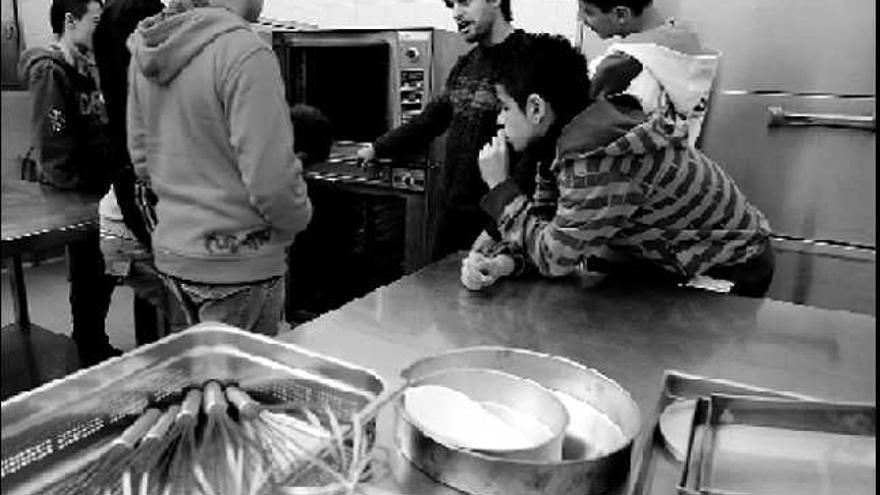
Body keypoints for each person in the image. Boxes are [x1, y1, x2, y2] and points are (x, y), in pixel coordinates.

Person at [464, 34, 775, 298]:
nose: (500, 119)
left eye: (504, 107)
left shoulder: (596, 160)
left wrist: (501, 190)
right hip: (667, 258)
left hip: (729, 265)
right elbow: (545, 226)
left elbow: (554, 258)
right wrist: (504, 262)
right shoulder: (564, 143)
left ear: (535, 108)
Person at [126, 0, 313, 335]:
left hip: (174, 256)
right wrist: (298, 219)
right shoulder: (246, 53)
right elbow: (272, 182)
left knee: (197, 379)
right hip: (241, 266)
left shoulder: (148, 52)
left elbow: (142, 162)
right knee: (244, 385)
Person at [356, 0, 532, 259]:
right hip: (452, 215)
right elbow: (431, 119)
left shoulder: (530, 60)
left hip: (499, 220)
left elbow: (537, 159)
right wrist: (378, 147)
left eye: (464, 2)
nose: (456, 13)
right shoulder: (466, 64)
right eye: (451, 5)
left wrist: (495, 227)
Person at [18, 0, 122, 365]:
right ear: (69, 20)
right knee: (89, 273)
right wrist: (78, 186)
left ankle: (94, 339)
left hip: (99, 185)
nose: (100, 29)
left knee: (103, 271)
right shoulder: (49, 71)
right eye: (95, 21)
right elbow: (55, 132)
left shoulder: (86, 66)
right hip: (74, 190)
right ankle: (88, 344)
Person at [92, 0, 174, 345]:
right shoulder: (135, 17)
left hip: (120, 216)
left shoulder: (116, 18)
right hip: (133, 218)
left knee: (158, 316)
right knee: (176, 324)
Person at [578, 0, 719, 147]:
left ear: (621, 14)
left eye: (588, 12)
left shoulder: (618, 68)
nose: (581, 19)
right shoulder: (689, 44)